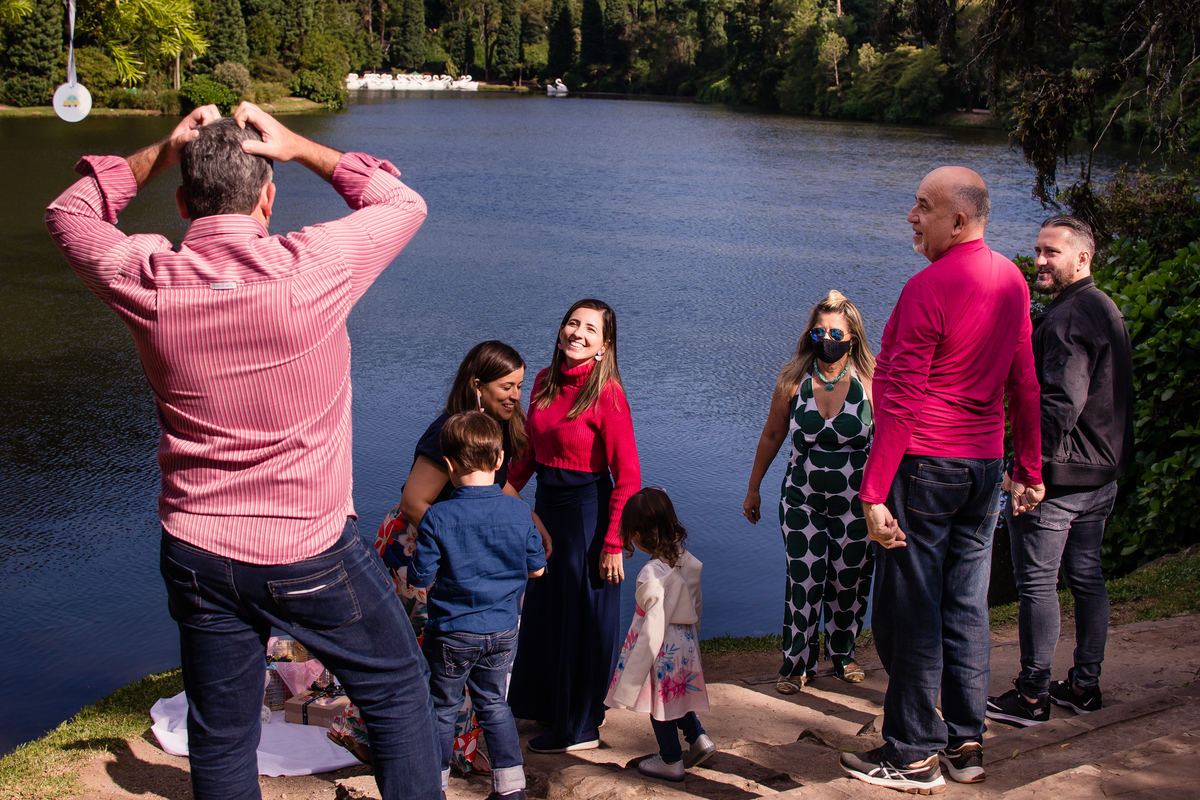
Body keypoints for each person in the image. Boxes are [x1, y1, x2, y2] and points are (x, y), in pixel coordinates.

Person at [45, 104, 441, 800]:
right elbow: (402, 203)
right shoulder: (314, 264)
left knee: (223, 734)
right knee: (398, 690)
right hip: (308, 549)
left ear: (181, 203)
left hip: (198, 552)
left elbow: (69, 213)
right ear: (268, 198)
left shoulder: (149, 276)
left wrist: (164, 149)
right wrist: (299, 146)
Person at [839, 166, 1044, 794]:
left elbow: (901, 399)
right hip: (983, 470)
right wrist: (1027, 468)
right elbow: (1025, 383)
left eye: (922, 207)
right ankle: (965, 742)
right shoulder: (1011, 279)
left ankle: (911, 755)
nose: (911, 216)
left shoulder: (928, 287)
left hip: (926, 466)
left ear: (958, 220)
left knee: (910, 610)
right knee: (964, 607)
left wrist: (873, 492)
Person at [338, 341, 550, 772]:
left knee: (457, 647)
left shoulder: (491, 428)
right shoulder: (447, 432)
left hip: (452, 546)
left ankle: (455, 747)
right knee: (420, 649)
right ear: (477, 385)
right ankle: (372, 737)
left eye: (519, 386)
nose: (515, 396)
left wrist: (531, 519)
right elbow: (414, 501)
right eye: (506, 387)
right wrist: (467, 542)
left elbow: (492, 486)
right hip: (416, 549)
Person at [986, 215, 1133, 727]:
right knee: (1087, 577)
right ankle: (1084, 687)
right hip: (1100, 474)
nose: (1039, 261)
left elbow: (1059, 404)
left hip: (1060, 477)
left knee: (1038, 584)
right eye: (1038, 251)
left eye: (1052, 252)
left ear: (1082, 258)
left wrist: (1026, 469)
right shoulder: (1103, 307)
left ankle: (1032, 696)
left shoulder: (1069, 317)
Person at [507, 298, 642, 753]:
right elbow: (528, 452)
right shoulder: (543, 382)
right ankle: (549, 708)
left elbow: (628, 477)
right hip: (547, 509)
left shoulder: (608, 395)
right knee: (547, 613)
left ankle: (580, 727)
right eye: (572, 323)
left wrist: (613, 542)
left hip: (588, 516)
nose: (577, 333)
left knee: (582, 619)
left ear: (604, 345)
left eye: (590, 329)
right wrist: (500, 492)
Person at [742, 290, 877, 694]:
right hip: (801, 500)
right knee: (804, 580)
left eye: (835, 333)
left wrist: (886, 498)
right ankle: (797, 662)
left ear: (852, 338)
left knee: (848, 579)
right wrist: (753, 489)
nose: (826, 339)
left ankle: (843, 653)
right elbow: (772, 435)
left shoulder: (872, 382)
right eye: (819, 332)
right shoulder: (793, 380)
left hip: (857, 504)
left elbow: (891, 440)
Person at [409, 411, 548, 800]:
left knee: (442, 707)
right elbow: (537, 569)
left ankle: (433, 788)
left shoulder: (438, 516)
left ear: (449, 465)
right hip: (502, 629)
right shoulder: (519, 512)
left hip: (451, 630)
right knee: (494, 705)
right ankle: (511, 789)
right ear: (500, 460)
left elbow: (420, 577)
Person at [606, 487, 715, 782]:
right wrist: (694, 637)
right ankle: (698, 738)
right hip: (685, 642)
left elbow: (653, 626)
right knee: (676, 694)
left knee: (660, 703)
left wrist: (634, 674)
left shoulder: (650, 574)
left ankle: (670, 759)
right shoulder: (685, 559)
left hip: (660, 649)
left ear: (640, 534)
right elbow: (696, 603)